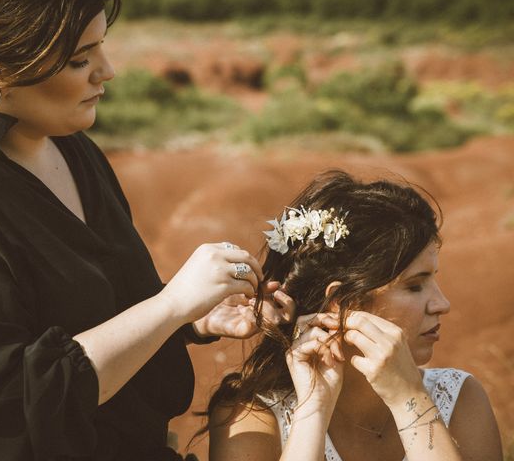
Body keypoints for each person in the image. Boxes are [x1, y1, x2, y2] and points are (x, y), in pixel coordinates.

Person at [0, 0, 296, 460]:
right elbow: (3, 408)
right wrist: (170, 306)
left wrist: (194, 319)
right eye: (80, 59)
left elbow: (95, 315)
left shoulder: (71, 149)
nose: (107, 72)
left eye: (102, 48)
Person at [207, 171, 503, 461]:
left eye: (433, 280)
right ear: (341, 302)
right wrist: (314, 409)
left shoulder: (459, 396)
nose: (442, 304)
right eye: (415, 286)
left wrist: (408, 400)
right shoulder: (251, 414)